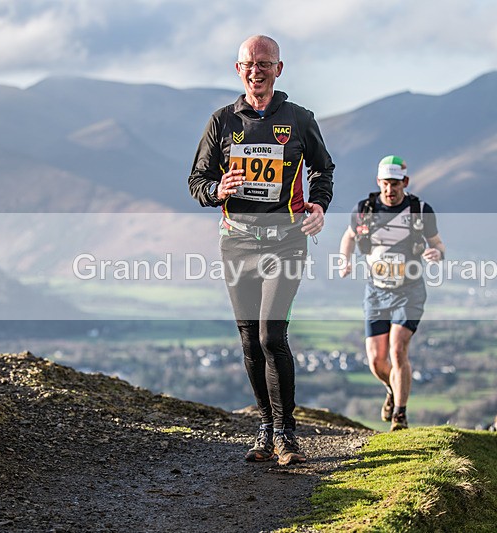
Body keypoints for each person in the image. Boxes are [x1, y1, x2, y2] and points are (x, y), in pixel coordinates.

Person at [188, 35, 334, 465]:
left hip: (286, 239)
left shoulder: (300, 119)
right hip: (237, 242)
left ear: (279, 69)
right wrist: (218, 189)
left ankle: (287, 435)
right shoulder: (221, 121)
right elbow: (196, 181)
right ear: (238, 70)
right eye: (249, 63)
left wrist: (319, 205)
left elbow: (323, 169)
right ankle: (265, 428)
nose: (257, 70)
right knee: (250, 339)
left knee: (273, 334)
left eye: (265, 63)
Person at [338, 155, 444, 431]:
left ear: (405, 182)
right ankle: (392, 389)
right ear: (378, 182)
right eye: (385, 183)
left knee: (398, 351)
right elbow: (348, 237)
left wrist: (436, 253)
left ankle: (400, 415)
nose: (390, 189)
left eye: (395, 184)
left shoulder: (419, 210)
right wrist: (344, 259)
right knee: (376, 359)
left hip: (409, 291)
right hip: (376, 290)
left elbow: (438, 244)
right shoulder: (365, 209)